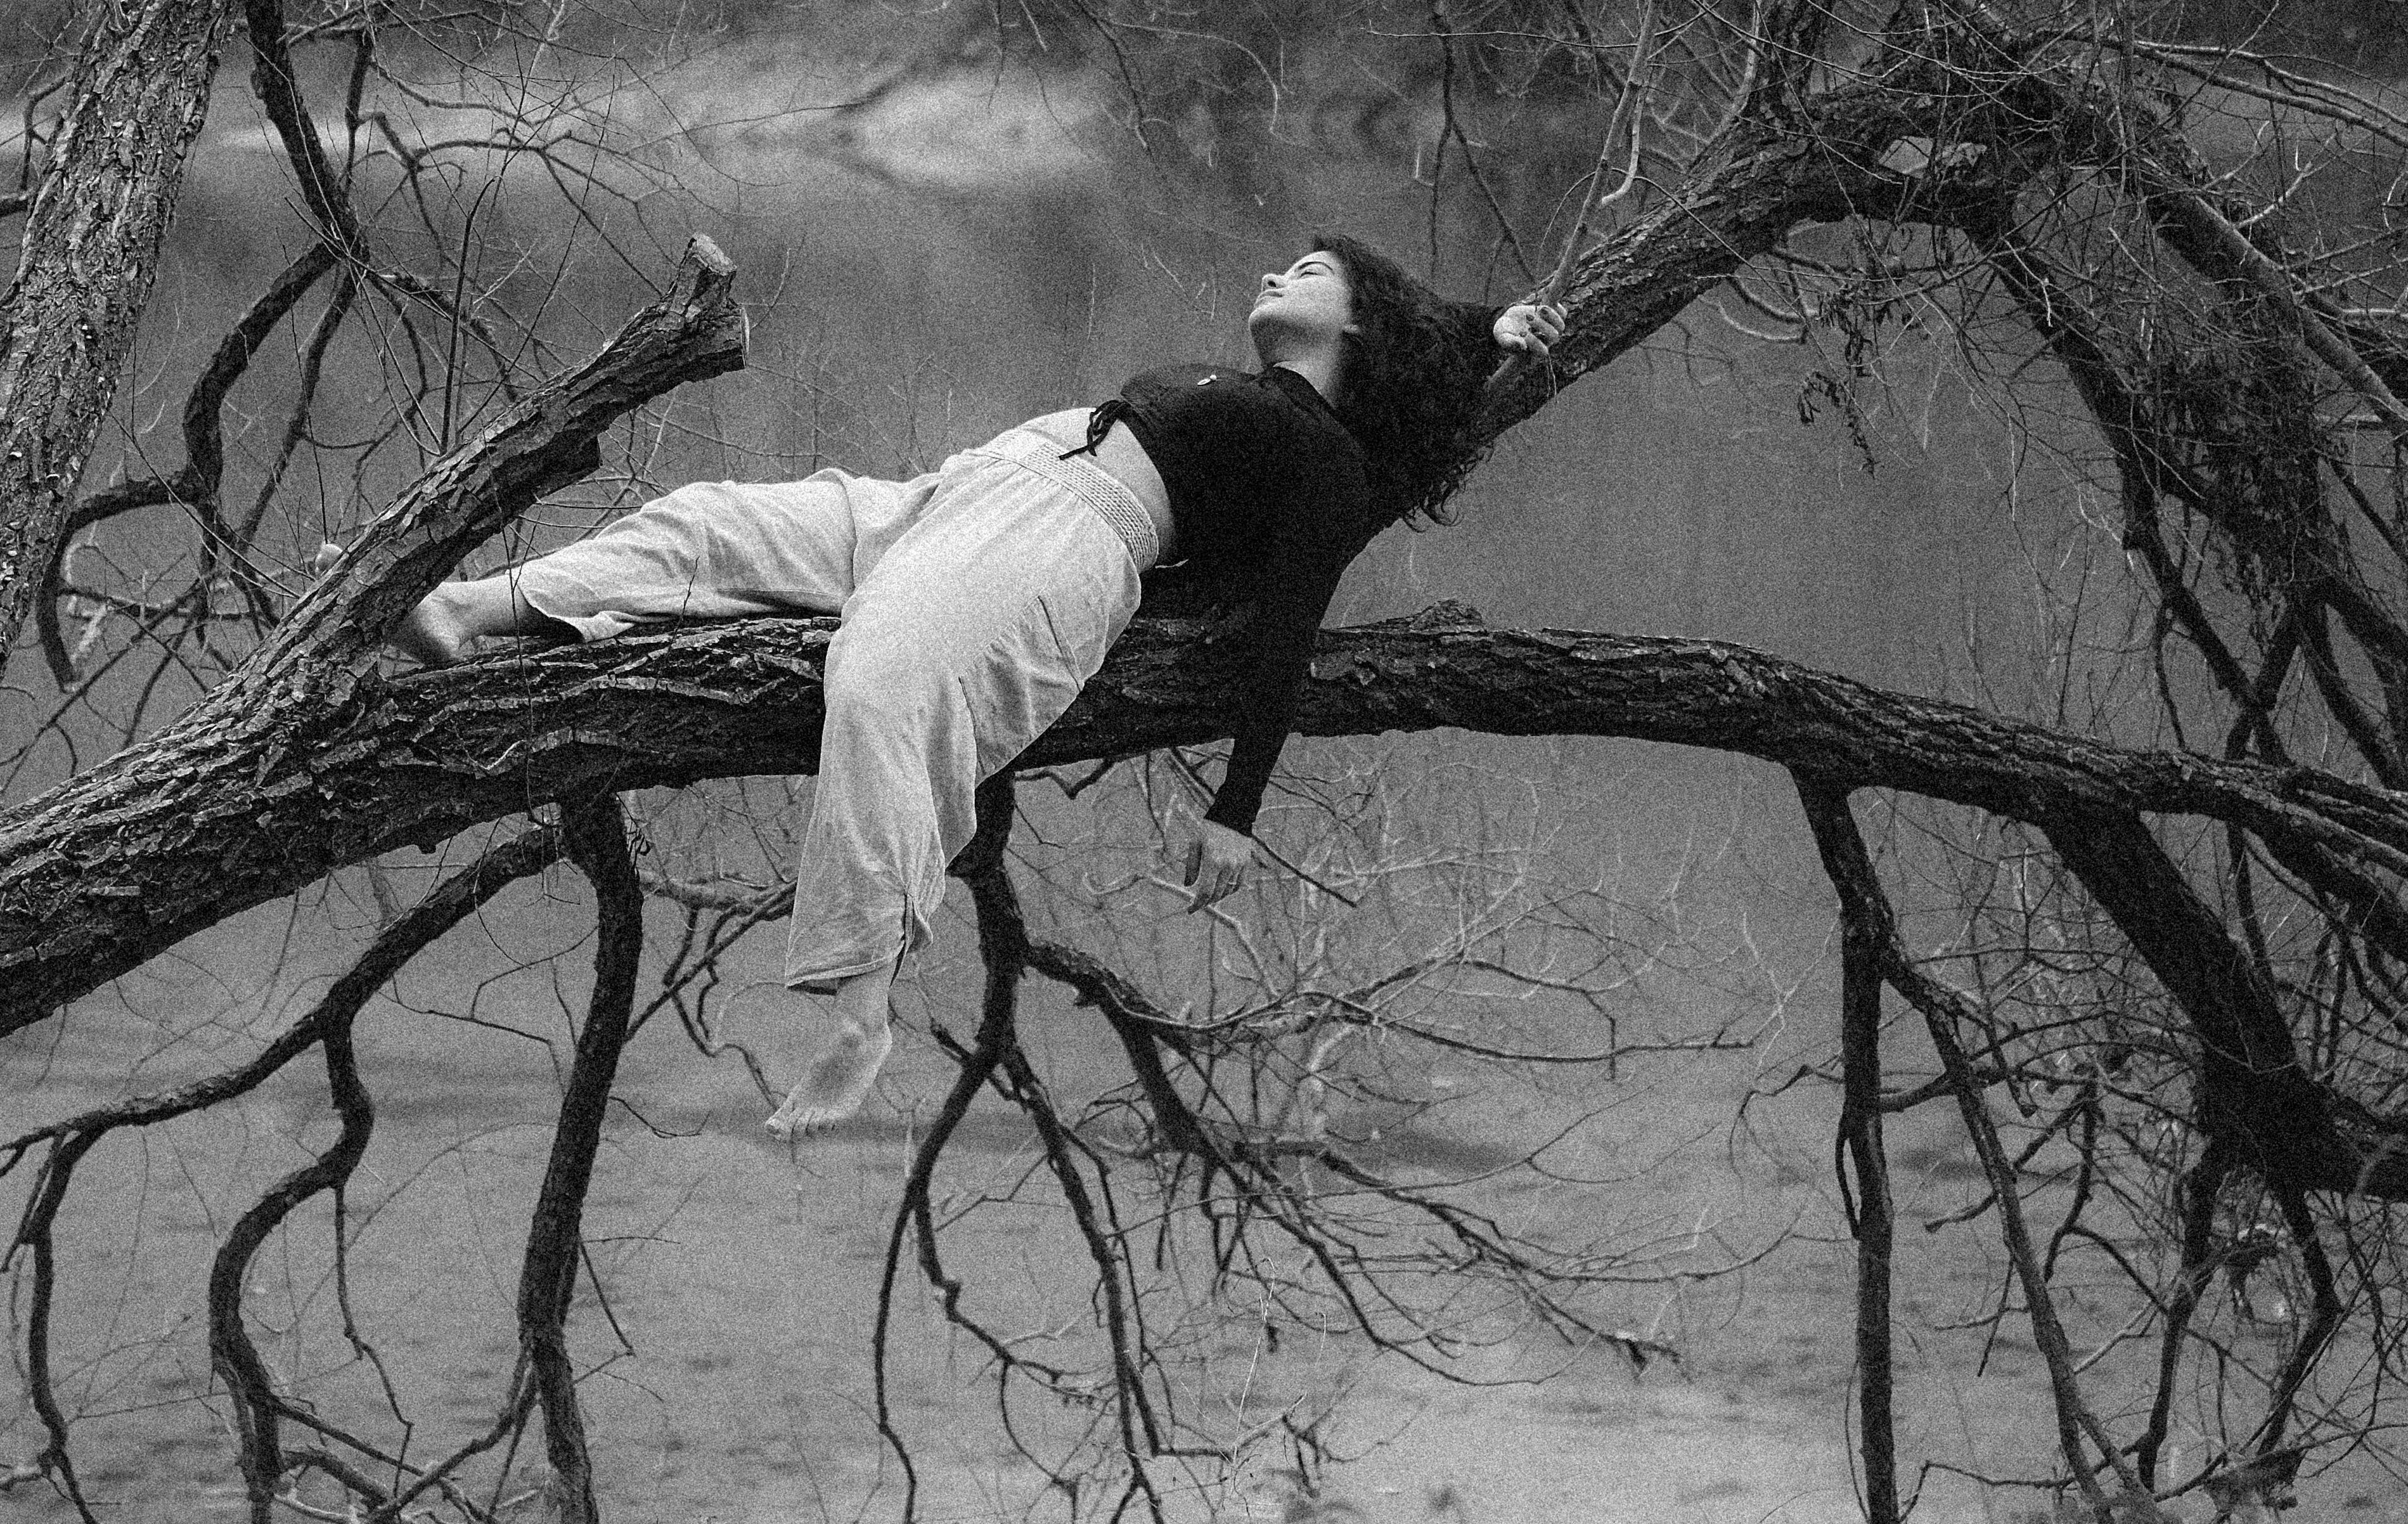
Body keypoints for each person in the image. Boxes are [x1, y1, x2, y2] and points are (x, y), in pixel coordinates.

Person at [404, 236, 1560, 1135]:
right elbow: (1425, 323)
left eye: (1307, 272)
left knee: (879, 685)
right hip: (977, 484)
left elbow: (1290, 631)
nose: (1274, 273)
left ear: (1358, 321)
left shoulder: (1325, 459)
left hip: (1065, 536)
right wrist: (1485, 322)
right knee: (716, 523)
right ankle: (468, 611)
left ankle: (862, 1004)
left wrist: (1237, 812)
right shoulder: (1244, 387)